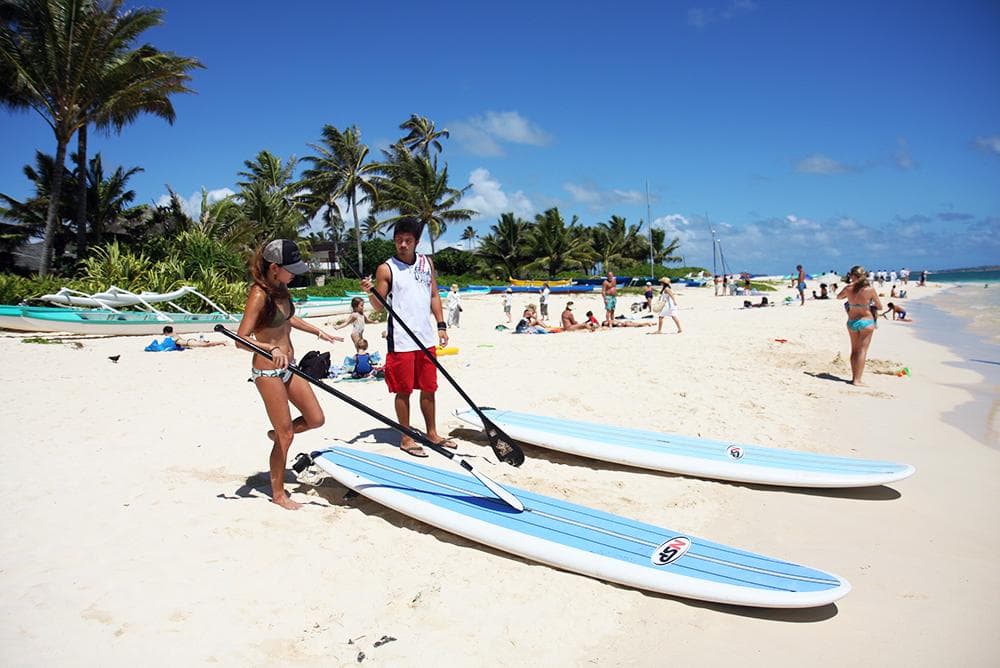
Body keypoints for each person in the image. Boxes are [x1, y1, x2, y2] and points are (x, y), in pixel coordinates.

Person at [236, 239, 344, 510]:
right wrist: (270, 347)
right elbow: (241, 338)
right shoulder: (259, 294)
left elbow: (288, 318)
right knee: (286, 435)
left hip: (289, 366)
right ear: (274, 268)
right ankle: (278, 493)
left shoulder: (282, 289)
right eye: (290, 268)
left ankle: (280, 434)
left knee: (315, 418)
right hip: (267, 370)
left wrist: (317, 330)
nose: (294, 273)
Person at [360, 217, 450, 457]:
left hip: (425, 337)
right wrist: (370, 292)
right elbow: (378, 307)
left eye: (407, 241)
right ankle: (406, 437)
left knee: (429, 388)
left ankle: (432, 433)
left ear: (416, 242)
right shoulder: (386, 268)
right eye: (399, 240)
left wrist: (441, 325)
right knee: (404, 390)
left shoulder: (426, 263)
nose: (402, 245)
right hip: (400, 339)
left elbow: (433, 295)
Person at [836, 265, 883, 386]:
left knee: (854, 350)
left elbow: (838, 297)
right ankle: (858, 380)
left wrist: (851, 298)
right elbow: (880, 306)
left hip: (852, 321)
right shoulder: (869, 290)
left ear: (852, 275)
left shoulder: (848, 288)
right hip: (866, 321)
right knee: (862, 351)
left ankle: (853, 378)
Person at [161, 325, 226, 348]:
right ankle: (221, 342)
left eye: (164, 333)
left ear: (166, 332)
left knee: (207, 345)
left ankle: (222, 342)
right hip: (189, 341)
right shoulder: (174, 334)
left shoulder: (171, 337)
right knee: (206, 344)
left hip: (189, 343)